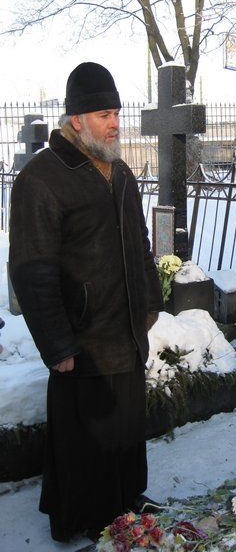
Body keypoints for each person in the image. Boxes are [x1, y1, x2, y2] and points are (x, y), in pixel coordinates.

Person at [9, 62, 164, 542]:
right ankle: (84, 517)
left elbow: (139, 244)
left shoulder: (119, 172)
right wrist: (57, 345)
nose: (115, 122)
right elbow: (32, 270)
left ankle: (125, 499)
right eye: (103, 113)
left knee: (125, 427)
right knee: (85, 439)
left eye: (116, 111)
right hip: (82, 336)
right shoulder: (42, 179)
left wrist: (150, 301)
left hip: (124, 329)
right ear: (76, 119)